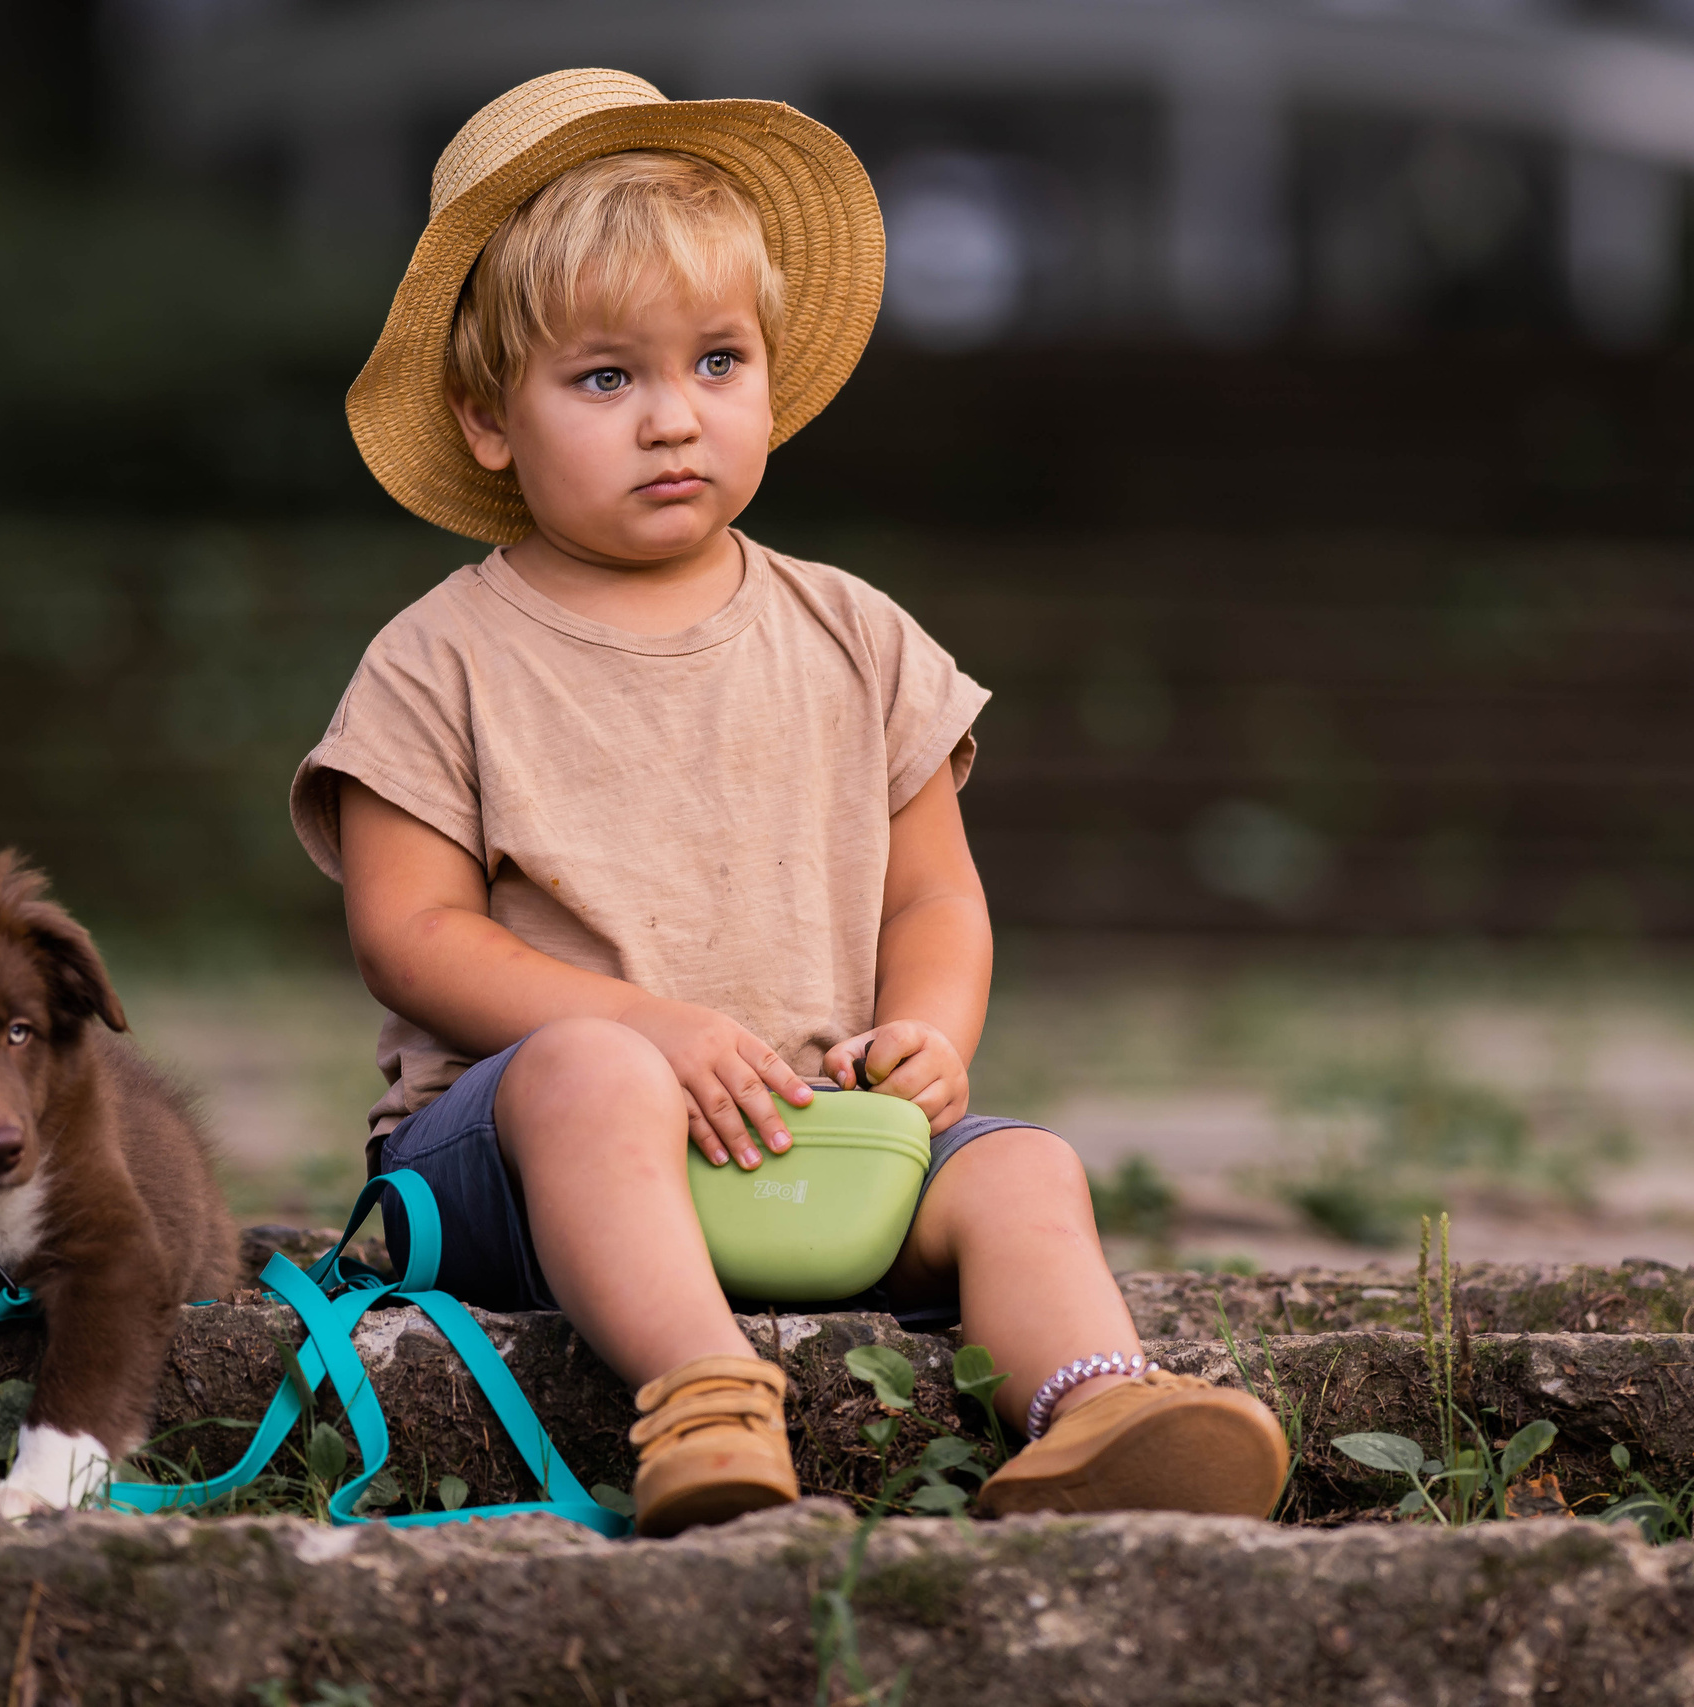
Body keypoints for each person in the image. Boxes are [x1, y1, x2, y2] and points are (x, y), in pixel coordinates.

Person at [291, 68, 1288, 1538]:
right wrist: (648, 1028)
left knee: (1021, 1167)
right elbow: (410, 937)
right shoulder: (443, 657)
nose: (672, 420)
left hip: (813, 1135)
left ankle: (1093, 1404)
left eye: (716, 363)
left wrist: (930, 1040)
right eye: (606, 378)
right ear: (491, 420)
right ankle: (703, 1395)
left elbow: (934, 894)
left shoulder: (855, 635)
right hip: (519, 1157)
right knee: (592, 1074)